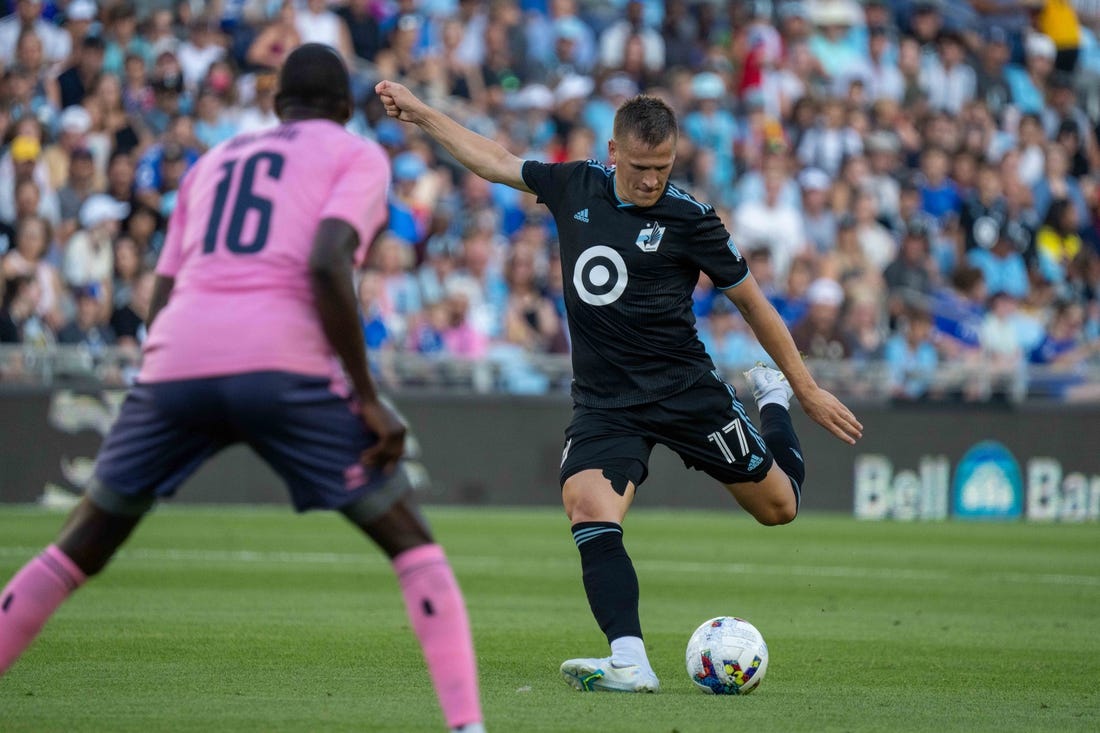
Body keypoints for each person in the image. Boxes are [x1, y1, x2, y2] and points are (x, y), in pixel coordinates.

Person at [0, 45, 485, 733]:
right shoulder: (356, 154)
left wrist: (162, 378)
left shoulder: (212, 162)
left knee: (77, 546)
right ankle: (468, 727)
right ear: (346, 107)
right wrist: (367, 395)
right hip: (281, 366)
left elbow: (163, 289)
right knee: (411, 541)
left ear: (275, 103)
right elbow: (324, 262)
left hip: (177, 364)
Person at [375, 79, 862, 693]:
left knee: (780, 508)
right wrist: (422, 114)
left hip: (686, 392)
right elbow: (494, 159)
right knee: (589, 508)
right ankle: (630, 660)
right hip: (606, 405)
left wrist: (806, 388)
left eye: (661, 168)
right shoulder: (574, 184)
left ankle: (772, 403)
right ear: (612, 152)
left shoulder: (692, 219)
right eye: (638, 167)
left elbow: (755, 305)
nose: (650, 180)